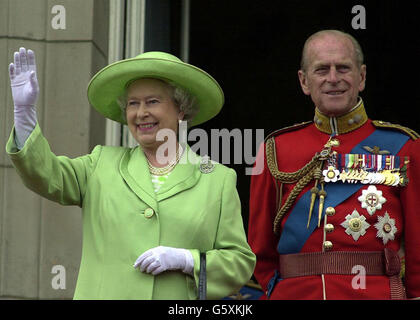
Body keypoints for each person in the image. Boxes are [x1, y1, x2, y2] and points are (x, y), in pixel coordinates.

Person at [6, 48, 256, 299]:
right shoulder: (100, 164)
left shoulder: (217, 179)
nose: (141, 113)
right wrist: (24, 115)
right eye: (133, 104)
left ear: (181, 109)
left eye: (153, 102)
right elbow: (45, 174)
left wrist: (187, 259)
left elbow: (239, 262)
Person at [248, 30, 420, 300]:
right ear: (304, 81)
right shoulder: (275, 149)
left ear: (361, 77)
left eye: (343, 68)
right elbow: (259, 248)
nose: (333, 78)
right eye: (321, 70)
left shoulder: (404, 146)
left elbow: (417, 242)